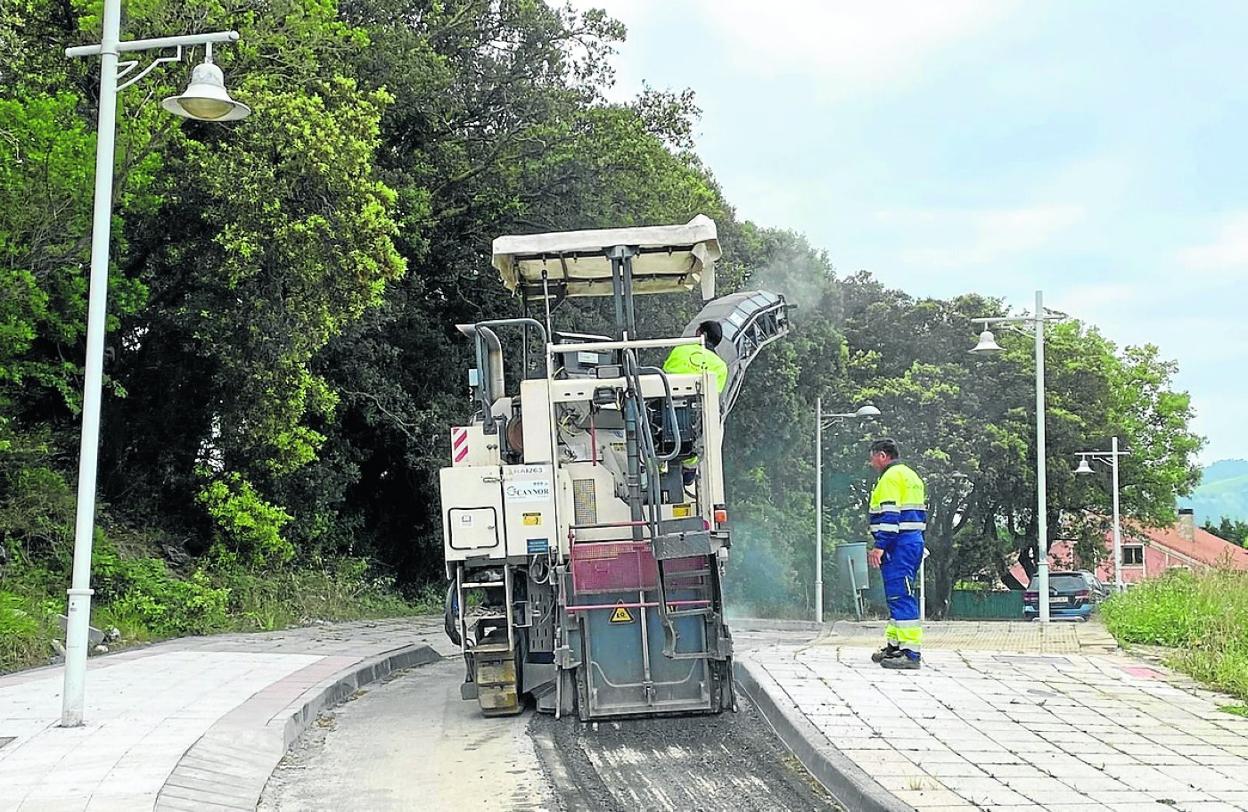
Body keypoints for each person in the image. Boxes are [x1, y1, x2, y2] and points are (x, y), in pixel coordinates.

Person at [865, 438, 926, 670]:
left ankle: (911, 653)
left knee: (901, 595)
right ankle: (895, 645)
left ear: (882, 455)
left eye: (872, 457)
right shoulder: (911, 476)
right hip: (911, 541)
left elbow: (890, 516)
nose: (871, 462)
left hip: (897, 544)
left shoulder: (890, 478)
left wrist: (880, 546)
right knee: (896, 595)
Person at [662, 321, 728, 485]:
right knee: (717, 415)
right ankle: (689, 469)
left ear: (700, 333)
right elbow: (713, 399)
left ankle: (658, 465)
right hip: (692, 434)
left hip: (663, 425)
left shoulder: (680, 350)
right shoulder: (720, 366)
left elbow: (663, 376)